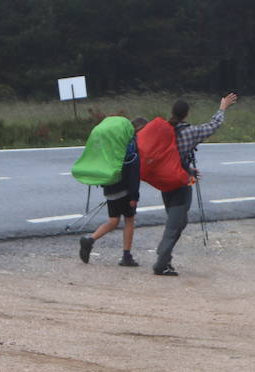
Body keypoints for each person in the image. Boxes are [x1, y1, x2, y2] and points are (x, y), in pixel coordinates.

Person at [152, 92, 238, 277]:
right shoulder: (189, 132)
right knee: (176, 224)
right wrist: (222, 108)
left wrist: (189, 169)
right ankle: (161, 262)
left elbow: (171, 157)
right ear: (187, 114)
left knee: (176, 221)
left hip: (165, 182)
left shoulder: (165, 131)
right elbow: (213, 125)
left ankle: (165, 258)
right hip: (180, 183)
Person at [81, 117, 148, 267]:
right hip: (125, 191)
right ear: (137, 130)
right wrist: (134, 196)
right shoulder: (131, 148)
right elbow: (133, 174)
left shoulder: (115, 146)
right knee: (129, 220)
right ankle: (126, 256)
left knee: (113, 221)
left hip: (110, 187)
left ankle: (90, 240)